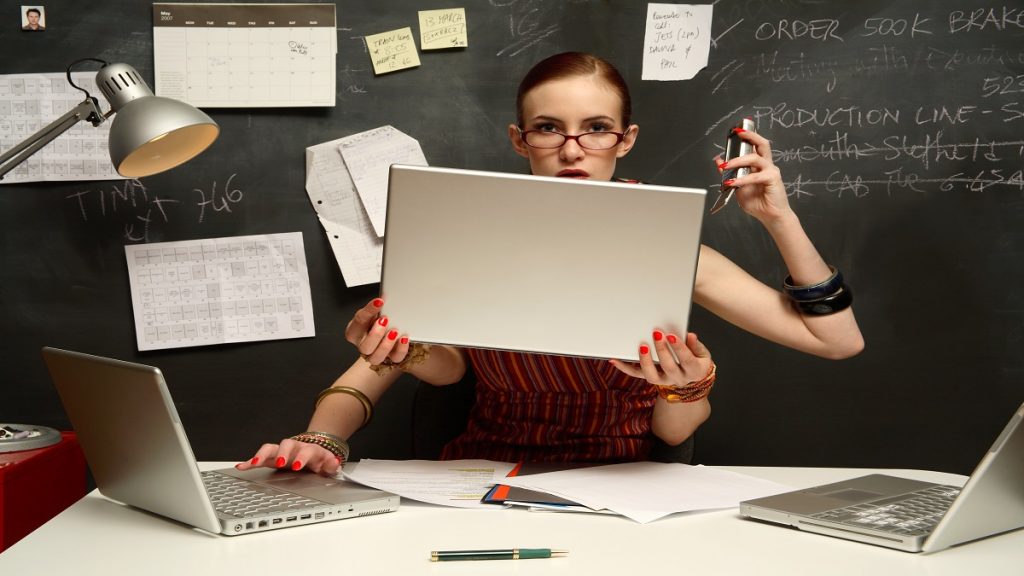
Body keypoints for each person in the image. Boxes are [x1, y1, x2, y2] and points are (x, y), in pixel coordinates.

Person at [238, 52, 864, 474]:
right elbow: (393, 362)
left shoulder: (668, 246)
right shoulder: (469, 233)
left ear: (626, 139)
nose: (572, 149)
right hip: (479, 478)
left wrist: (778, 218)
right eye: (547, 128)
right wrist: (321, 439)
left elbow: (836, 342)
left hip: (622, 482)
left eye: (596, 128)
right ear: (520, 140)